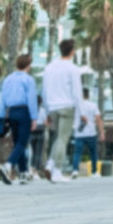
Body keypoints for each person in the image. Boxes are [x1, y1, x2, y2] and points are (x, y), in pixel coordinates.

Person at [43, 39, 84, 182]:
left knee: (58, 138)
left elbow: (45, 90)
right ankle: (57, 171)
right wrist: (82, 112)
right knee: (62, 138)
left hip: (53, 107)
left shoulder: (49, 67)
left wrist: (47, 111)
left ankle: (50, 164)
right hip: (67, 106)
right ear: (72, 51)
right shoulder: (73, 69)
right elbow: (77, 93)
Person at [0, 54, 40, 184]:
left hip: (11, 112)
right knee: (22, 142)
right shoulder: (28, 80)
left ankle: (23, 173)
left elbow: (2, 99)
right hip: (24, 111)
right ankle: (8, 165)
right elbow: (32, 100)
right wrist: (34, 118)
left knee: (18, 144)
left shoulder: (8, 79)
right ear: (28, 65)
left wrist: (1, 117)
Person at [71, 87, 102, 176]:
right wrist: (102, 132)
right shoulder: (93, 105)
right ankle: (94, 172)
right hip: (91, 132)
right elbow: (98, 119)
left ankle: (75, 170)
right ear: (88, 95)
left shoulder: (76, 106)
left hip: (79, 133)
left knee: (77, 153)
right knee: (93, 153)